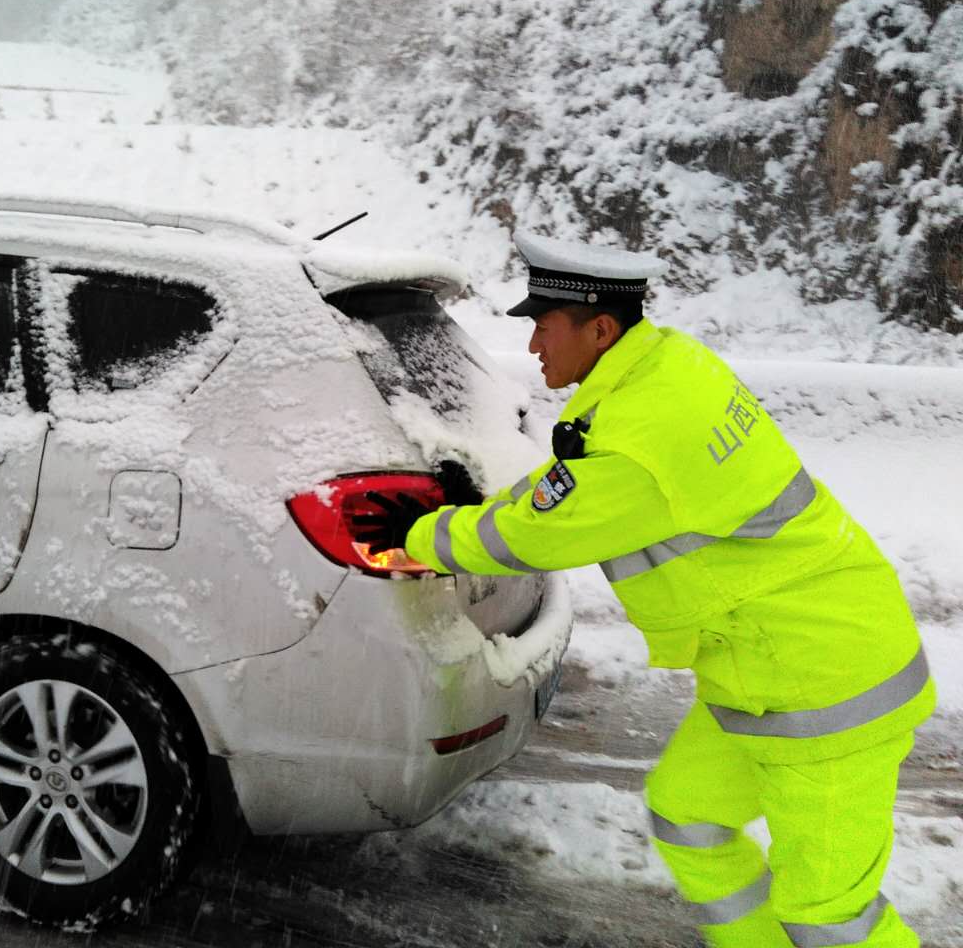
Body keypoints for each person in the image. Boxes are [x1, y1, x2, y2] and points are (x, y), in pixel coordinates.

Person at [355, 233, 935, 948]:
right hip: (768, 666)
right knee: (687, 816)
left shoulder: (642, 438)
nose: (534, 344)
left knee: (829, 916)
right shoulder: (661, 371)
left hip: (825, 688)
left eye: (544, 324)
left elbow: (541, 532)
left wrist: (420, 533)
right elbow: (575, 487)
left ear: (600, 328)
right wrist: (477, 500)